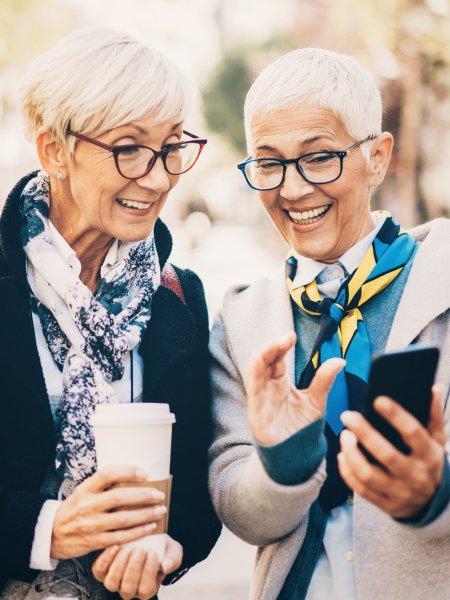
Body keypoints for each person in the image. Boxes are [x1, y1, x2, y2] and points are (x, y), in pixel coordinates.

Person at [209, 48, 450, 600]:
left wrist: (435, 493)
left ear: (378, 158)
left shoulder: (443, 282)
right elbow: (238, 510)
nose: (292, 189)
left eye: (319, 158)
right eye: (269, 163)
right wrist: (282, 462)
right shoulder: (241, 322)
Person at [1, 28, 221, 599]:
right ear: (55, 151)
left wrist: (171, 546)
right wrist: (48, 528)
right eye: (129, 148)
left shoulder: (179, 297)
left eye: (172, 147)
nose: (158, 177)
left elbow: (197, 494)